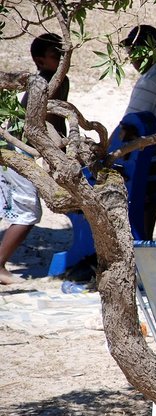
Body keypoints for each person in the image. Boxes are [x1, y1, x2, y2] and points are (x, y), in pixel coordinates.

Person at [0, 33, 69, 284]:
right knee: (27, 211)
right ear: (40, 61)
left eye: (63, 55)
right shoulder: (42, 84)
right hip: (18, 150)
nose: (61, 60)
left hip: (25, 149)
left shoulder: (60, 80)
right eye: (55, 56)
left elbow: (57, 120)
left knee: (14, 205)